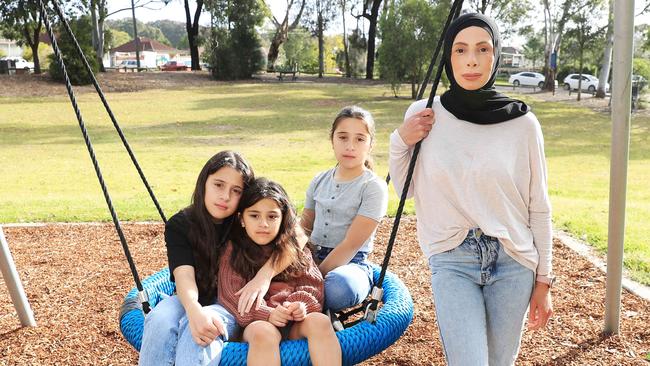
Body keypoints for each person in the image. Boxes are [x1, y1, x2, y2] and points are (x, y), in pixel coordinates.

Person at [388, 14, 554, 366]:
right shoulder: (425, 114)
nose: (472, 61)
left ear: (496, 57)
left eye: (483, 49)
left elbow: (539, 205)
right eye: (461, 50)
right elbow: (404, 190)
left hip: (514, 262)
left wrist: (544, 282)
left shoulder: (523, 123)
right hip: (453, 258)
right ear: (449, 57)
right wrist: (400, 140)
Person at [139, 151, 301, 366]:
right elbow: (184, 275)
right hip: (189, 297)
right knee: (159, 320)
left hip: (230, 303)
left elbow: (298, 234)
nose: (225, 196)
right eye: (218, 185)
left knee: (206, 329)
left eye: (236, 191)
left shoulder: (245, 219)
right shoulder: (181, 224)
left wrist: (263, 276)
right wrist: (194, 309)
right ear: (204, 182)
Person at [218, 178, 341, 366]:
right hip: (256, 324)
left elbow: (312, 285)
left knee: (320, 322)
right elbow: (231, 296)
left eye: (272, 216)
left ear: (283, 218)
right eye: (254, 216)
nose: (264, 224)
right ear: (241, 219)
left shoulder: (294, 249)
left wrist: (300, 305)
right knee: (263, 333)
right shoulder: (234, 251)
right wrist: (267, 313)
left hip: (294, 322)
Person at [300, 106, 388, 314]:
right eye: (343, 137)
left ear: (370, 144)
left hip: (350, 264)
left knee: (339, 288)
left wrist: (312, 279)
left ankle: (314, 303)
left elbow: (351, 244)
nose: (350, 146)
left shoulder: (373, 187)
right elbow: (303, 228)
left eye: (359, 139)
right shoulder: (319, 180)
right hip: (311, 257)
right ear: (332, 140)